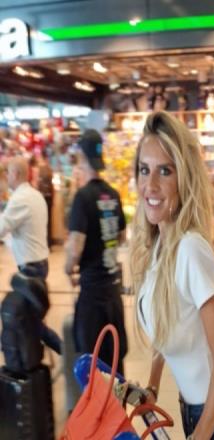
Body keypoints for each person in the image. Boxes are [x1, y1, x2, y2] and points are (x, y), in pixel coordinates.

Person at [130, 111, 214, 440]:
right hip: (195, 411)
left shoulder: (191, 250)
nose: (151, 186)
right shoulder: (160, 245)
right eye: (144, 170)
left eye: (165, 171)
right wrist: (153, 385)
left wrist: (199, 436)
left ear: (184, 178)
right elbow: (163, 319)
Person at [64, 129, 128, 374]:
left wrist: (68, 268)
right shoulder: (113, 194)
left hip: (91, 298)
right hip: (113, 293)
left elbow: (76, 245)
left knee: (93, 368)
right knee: (115, 365)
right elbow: (121, 236)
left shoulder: (82, 198)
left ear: (82, 156)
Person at [0, 156, 60, 353]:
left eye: (8, 172)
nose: (6, 176)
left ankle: (65, 350)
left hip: (30, 269)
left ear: (16, 174)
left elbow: (2, 228)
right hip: (39, 263)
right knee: (28, 318)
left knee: (29, 320)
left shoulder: (20, 199)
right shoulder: (34, 195)